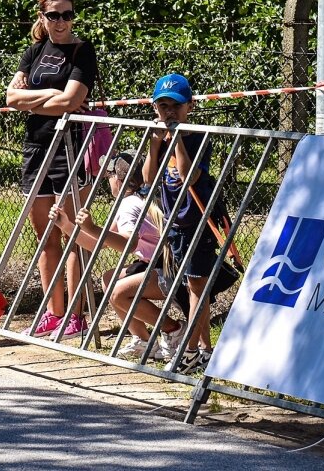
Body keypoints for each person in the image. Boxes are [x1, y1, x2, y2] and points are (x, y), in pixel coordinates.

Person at [5, 0, 98, 339]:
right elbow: (11, 96)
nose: (61, 21)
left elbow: (73, 100)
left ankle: (76, 315)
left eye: (68, 14)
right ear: (42, 16)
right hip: (36, 145)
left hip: (70, 148)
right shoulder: (33, 51)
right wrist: (49, 98)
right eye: (54, 15)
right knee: (45, 235)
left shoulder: (82, 51)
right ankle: (53, 313)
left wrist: (34, 99)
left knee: (74, 232)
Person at [49, 151, 187, 361]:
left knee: (118, 293)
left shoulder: (130, 204)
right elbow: (98, 244)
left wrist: (93, 227)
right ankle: (143, 341)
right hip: (158, 265)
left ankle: (174, 330)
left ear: (121, 180)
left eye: (110, 175)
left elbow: (128, 244)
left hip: (170, 270)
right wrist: (66, 225)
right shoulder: (137, 198)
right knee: (109, 279)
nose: (107, 180)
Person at [142, 73, 216, 374]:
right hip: (174, 222)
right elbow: (147, 179)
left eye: (176, 106)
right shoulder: (159, 139)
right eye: (163, 106)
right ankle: (204, 349)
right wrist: (155, 145)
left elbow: (188, 176)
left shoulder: (198, 137)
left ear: (189, 107)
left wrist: (177, 142)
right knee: (191, 286)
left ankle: (190, 350)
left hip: (197, 220)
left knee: (197, 285)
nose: (169, 113)